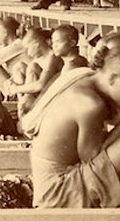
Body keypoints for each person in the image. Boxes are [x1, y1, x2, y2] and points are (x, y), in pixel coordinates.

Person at [25, 33, 120, 208]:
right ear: (113, 78)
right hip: (59, 190)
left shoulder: (84, 75)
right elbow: (92, 159)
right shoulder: (90, 104)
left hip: (49, 182)